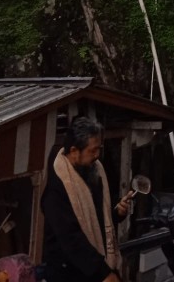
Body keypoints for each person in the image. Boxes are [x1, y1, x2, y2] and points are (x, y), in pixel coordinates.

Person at [41, 116, 134, 282]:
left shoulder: (93, 172)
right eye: (92, 150)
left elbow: (97, 218)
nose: (97, 155)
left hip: (94, 267)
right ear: (74, 151)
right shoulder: (57, 188)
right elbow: (71, 238)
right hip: (68, 273)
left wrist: (116, 212)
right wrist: (103, 273)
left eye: (99, 149)